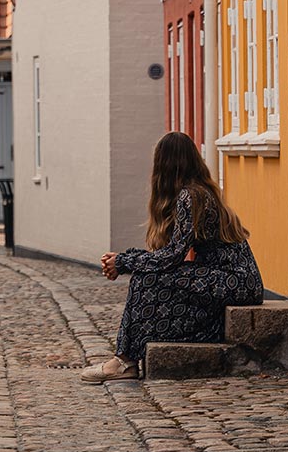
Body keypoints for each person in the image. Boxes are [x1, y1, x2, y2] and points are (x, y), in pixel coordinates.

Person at [81, 131, 264, 383]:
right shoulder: (197, 192)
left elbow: (173, 256)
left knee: (144, 280)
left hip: (234, 282)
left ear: (164, 165)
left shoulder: (192, 196)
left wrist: (124, 262)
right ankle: (125, 360)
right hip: (227, 280)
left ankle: (125, 361)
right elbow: (171, 255)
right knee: (147, 277)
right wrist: (126, 260)